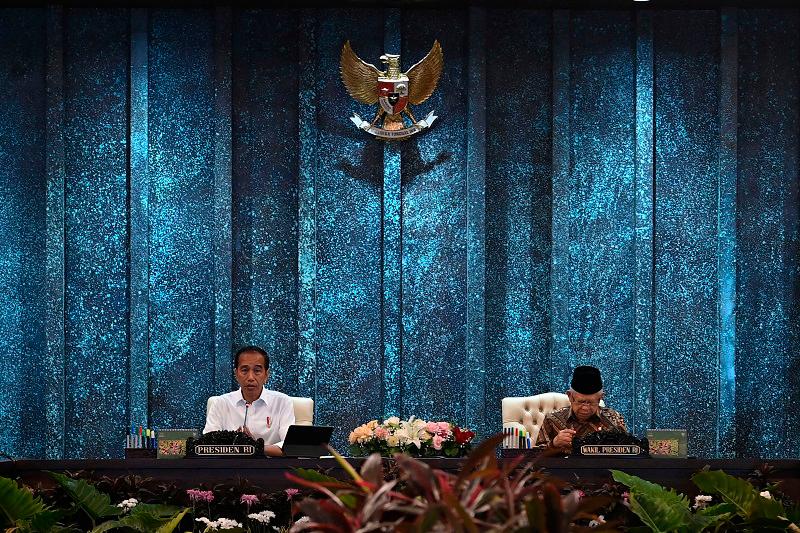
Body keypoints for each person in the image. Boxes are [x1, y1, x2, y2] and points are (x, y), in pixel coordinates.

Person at [203, 345, 295, 457]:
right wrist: (233, 443)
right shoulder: (221, 403)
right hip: (229, 469)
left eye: (257, 370)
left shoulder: (282, 402)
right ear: (236, 374)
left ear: (266, 374)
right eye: (244, 370)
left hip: (270, 469)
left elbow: (290, 447)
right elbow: (207, 445)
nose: (250, 377)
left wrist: (255, 447)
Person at [536, 365, 626, 453]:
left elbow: (627, 453)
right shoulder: (551, 420)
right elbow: (536, 458)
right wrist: (554, 444)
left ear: (600, 398)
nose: (585, 408)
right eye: (580, 402)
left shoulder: (614, 419)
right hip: (565, 467)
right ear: (570, 396)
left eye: (591, 403)